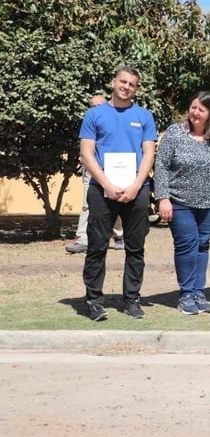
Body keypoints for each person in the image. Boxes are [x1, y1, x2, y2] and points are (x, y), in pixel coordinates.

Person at [79, 66, 157, 321]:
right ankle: (93, 301)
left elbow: (148, 153)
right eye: (123, 81)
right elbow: (87, 154)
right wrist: (107, 185)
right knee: (97, 247)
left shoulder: (144, 116)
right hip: (101, 191)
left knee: (135, 248)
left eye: (132, 84)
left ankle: (132, 300)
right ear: (113, 82)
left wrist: (136, 185)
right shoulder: (95, 114)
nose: (126, 86)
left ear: (136, 88)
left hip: (137, 191)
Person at [154, 92, 210, 315]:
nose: (195, 113)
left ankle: (199, 291)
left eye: (201, 110)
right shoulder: (175, 133)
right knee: (187, 244)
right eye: (193, 107)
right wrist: (163, 197)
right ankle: (186, 294)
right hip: (179, 201)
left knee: (203, 245)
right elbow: (161, 165)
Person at [66, 94, 124, 254]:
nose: (97, 109)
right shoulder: (89, 123)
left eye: (100, 105)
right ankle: (83, 239)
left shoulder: (115, 122)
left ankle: (118, 236)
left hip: (112, 169)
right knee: (86, 203)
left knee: (116, 202)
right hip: (91, 170)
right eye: (94, 106)